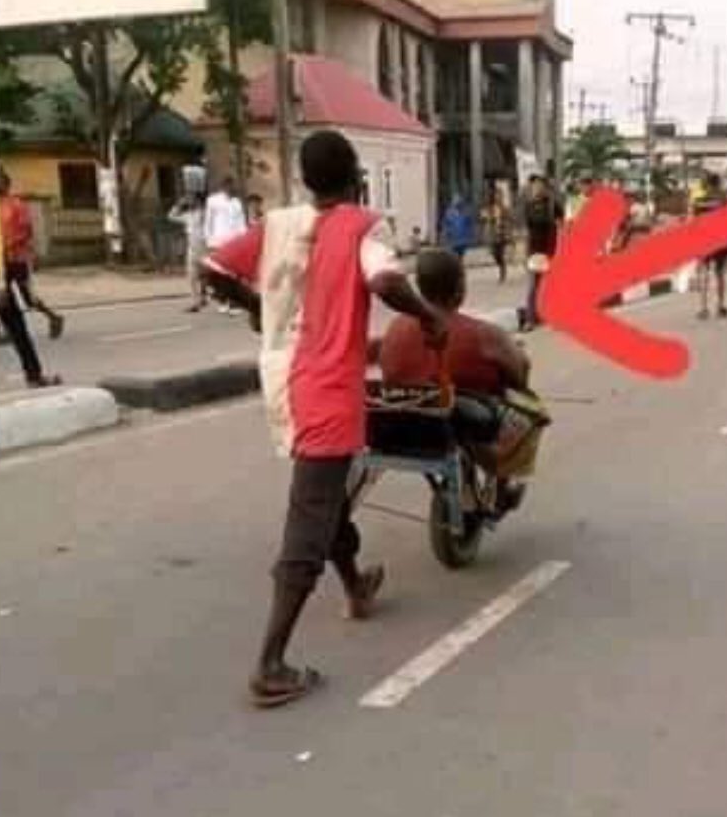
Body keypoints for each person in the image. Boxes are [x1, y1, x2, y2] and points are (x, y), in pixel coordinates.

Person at [201, 131, 448, 709]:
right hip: (328, 390)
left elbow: (212, 266)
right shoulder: (365, 225)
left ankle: (357, 585)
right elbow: (385, 280)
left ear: (306, 179)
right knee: (310, 516)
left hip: (284, 379)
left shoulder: (279, 225)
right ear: (355, 175)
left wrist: (255, 308)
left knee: (331, 493)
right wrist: (430, 316)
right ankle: (270, 664)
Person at [380, 249, 546, 501]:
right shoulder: (484, 334)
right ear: (459, 290)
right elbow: (521, 370)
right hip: (461, 422)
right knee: (530, 412)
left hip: (401, 420)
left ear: (421, 287)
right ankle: (503, 486)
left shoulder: (395, 328)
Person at [0, 172, 60, 390]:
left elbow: (23, 233)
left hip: (12, 264)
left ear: (6, 184)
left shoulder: (16, 205)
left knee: (19, 318)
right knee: (13, 318)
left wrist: (9, 249)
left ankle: (34, 374)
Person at [0, 173, 65, 340]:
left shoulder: (17, 205)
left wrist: (8, 245)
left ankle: (54, 317)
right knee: (2, 295)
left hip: (18, 259)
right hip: (0, 261)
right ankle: (9, 330)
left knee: (28, 299)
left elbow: (26, 231)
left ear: (5, 185)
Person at [520, 175, 563, 331]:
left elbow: (561, 223)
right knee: (533, 287)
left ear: (545, 188)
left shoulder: (552, 205)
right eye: (534, 185)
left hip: (549, 251)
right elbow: (525, 229)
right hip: (534, 252)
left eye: (540, 185)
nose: (537, 188)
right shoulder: (528, 206)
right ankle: (530, 320)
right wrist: (522, 253)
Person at [694, 173, 727, 319]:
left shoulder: (698, 201)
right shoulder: (724, 201)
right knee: (719, 274)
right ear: (718, 184)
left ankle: (703, 308)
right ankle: (720, 307)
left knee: (704, 273)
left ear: (705, 185)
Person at [204, 177, 247, 315]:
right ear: (223, 187)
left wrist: (244, 240)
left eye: (233, 186)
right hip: (219, 241)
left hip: (234, 241)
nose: (232, 189)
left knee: (234, 274)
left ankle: (233, 302)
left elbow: (241, 223)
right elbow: (208, 221)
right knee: (221, 273)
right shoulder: (213, 201)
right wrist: (209, 241)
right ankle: (222, 301)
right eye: (229, 186)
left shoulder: (237, 202)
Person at [169, 191, 208, 312]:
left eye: (191, 199)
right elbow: (171, 216)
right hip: (192, 248)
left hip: (204, 247)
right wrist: (179, 204)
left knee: (204, 276)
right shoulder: (188, 215)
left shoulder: (204, 213)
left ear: (198, 201)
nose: (189, 201)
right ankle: (195, 302)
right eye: (188, 199)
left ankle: (203, 297)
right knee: (191, 276)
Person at [483, 190, 513, 283]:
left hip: (501, 235)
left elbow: (509, 221)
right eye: (496, 196)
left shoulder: (505, 209)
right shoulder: (490, 208)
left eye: (499, 196)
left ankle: (502, 273)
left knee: (500, 253)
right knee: (495, 254)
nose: (498, 198)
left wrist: (508, 234)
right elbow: (485, 220)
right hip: (493, 235)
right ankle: (500, 265)